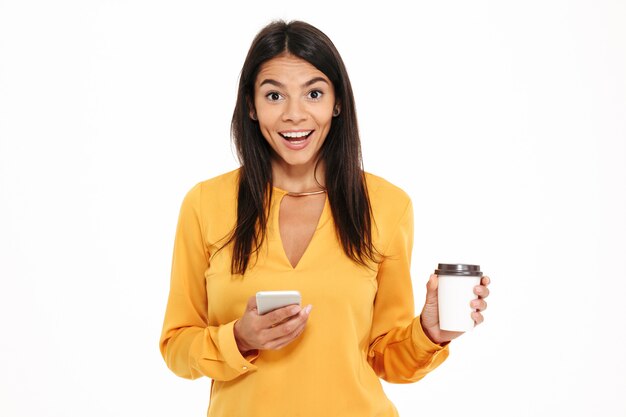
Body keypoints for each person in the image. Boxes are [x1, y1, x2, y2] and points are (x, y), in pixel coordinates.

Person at [159, 19, 490, 417]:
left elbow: (386, 359)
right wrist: (239, 338)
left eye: (313, 93)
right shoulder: (204, 204)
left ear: (336, 103)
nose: (294, 115)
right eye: (274, 96)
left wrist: (429, 331)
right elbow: (177, 346)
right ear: (251, 105)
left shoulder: (386, 205)